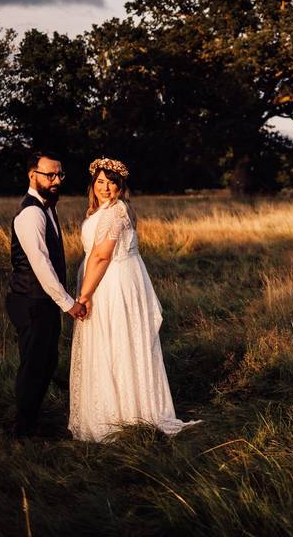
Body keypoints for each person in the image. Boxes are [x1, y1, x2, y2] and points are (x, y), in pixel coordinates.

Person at [68, 157, 200, 442]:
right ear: (93, 184)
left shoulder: (116, 212)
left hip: (113, 281)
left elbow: (102, 255)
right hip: (103, 278)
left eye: (111, 182)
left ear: (120, 186)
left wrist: (84, 295)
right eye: (100, 182)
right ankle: (113, 409)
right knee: (108, 341)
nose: (105, 187)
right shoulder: (100, 210)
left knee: (117, 340)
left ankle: (126, 414)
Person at [6, 151, 87, 439]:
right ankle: (23, 428)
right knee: (34, 364)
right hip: (31, 301)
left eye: (59, 175)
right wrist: (68, 303)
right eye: (49, 175)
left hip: (42, 301)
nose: (56, 180)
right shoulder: (30, 212)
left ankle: (29, 420)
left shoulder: (47, 207)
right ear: (33, 175)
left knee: (45, 361)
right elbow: (40, 264)